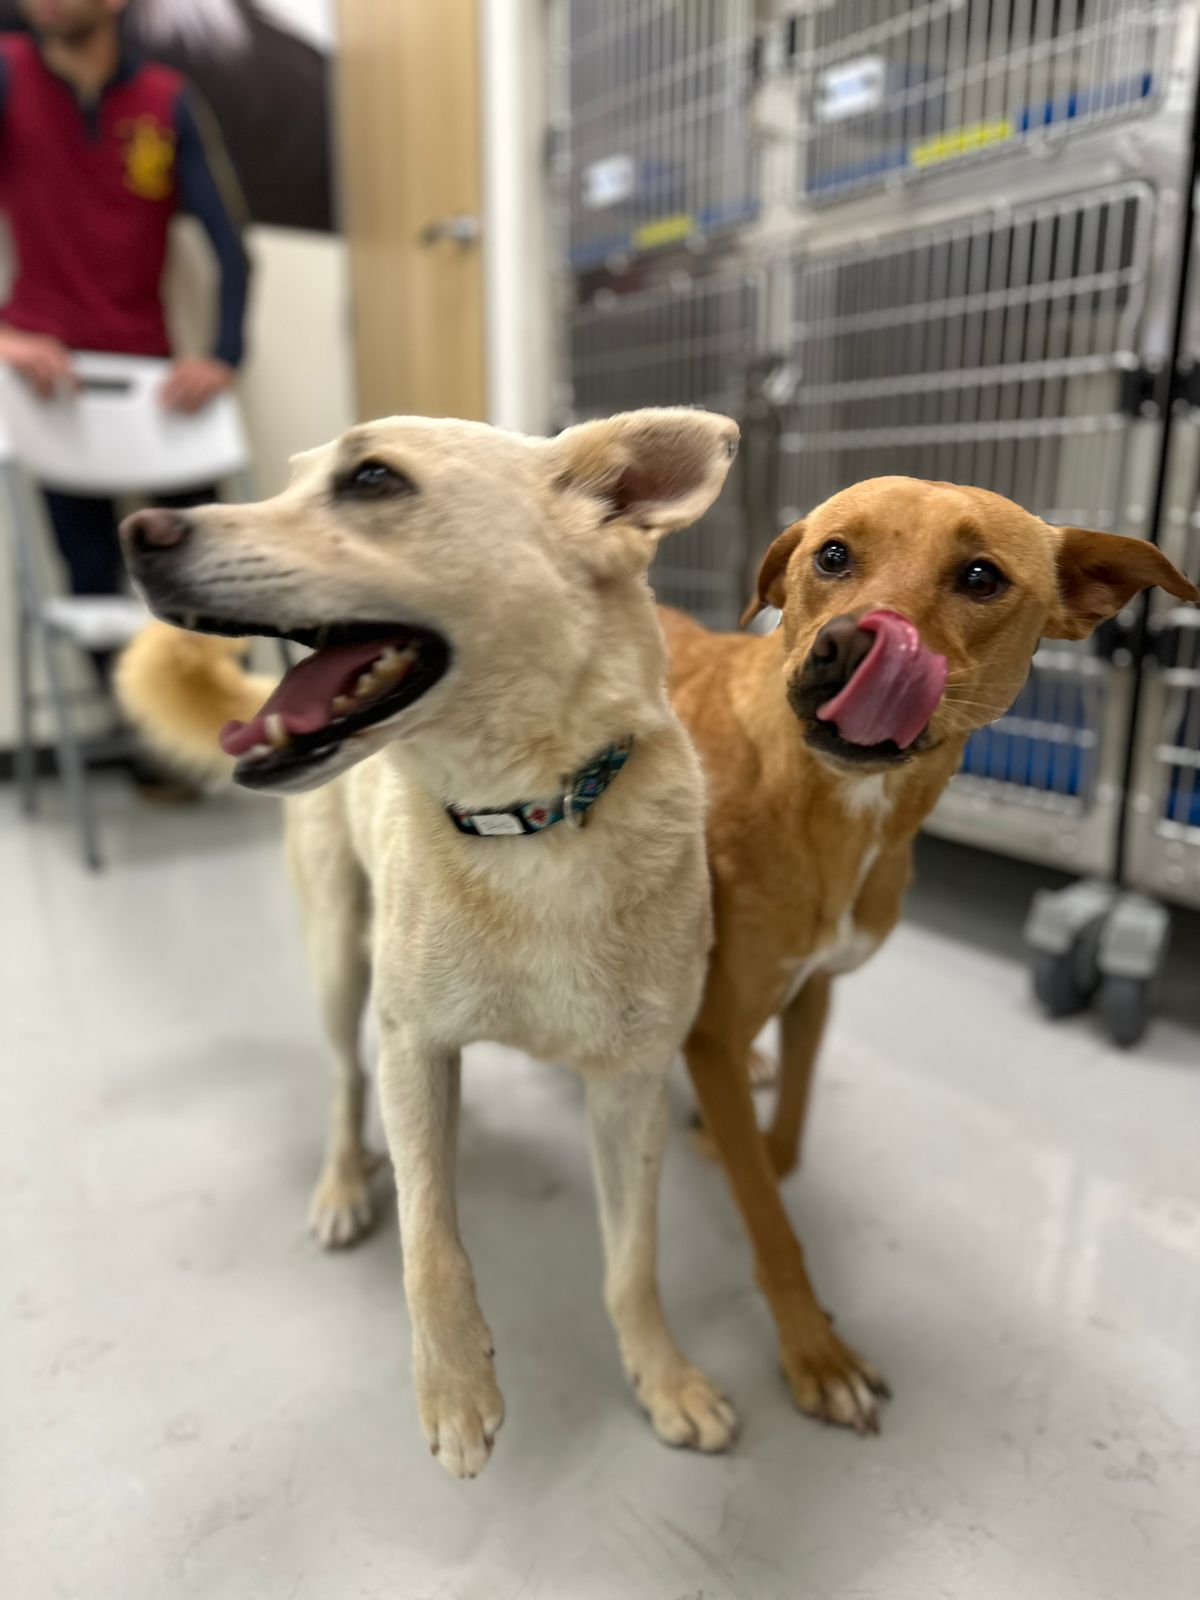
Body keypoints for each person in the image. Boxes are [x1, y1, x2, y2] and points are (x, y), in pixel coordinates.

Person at [0, 0, 250, 659]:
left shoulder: (166, 99)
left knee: (207, 571)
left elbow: (232, 249)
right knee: (90, 579)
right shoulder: (8, 72)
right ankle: (130, 718)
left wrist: (223, 355)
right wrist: (6, 339)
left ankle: (225, 712)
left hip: (155, 378)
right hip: (48, 380)